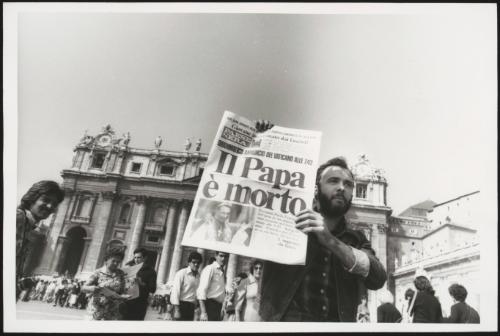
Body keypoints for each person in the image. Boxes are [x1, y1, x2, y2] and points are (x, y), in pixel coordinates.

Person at [256, 133, 387, 321]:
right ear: (316, 189)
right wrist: (263, 143)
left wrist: (330, 241)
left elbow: (378, 277)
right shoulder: (288, 222)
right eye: (333, 181)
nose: (342, 187)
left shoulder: (357, 239)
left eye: (349, 184)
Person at [16, 181, 65, 281]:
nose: (50, 206)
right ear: (31, 199)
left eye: (54, 204)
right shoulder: (18, 217)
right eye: (45, 200)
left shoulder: (27, 224)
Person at [81, 247, 130, 320]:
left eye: (118, 262)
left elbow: (122, 291)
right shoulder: (98, 272)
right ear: (106, 260)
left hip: (112, 314)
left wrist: (124, 296)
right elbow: (83, 288)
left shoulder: (121, 274)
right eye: (113, 261)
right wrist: (92, 288)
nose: (116, 264)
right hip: (96, 312)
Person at [121, 248, 157, 320]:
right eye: (135, 257)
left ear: (145, 258)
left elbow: (152, 289)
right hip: (125, 301)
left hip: (140, 303)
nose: (136, 260)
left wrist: (141, 283)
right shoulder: (128, 267)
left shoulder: (151, 271)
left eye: (139, 258)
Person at [171, 252, 203, 321]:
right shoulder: (181, 273)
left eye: (198, 262)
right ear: (189, 262)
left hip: (191, 307)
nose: (196, 264)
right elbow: (175, 292)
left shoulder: (199, 276)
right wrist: (177, 310)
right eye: (194, 262)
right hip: (181, 305)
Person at [197, 251, 228, 321]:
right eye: (221, 256)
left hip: (218, 308)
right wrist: (203, 312)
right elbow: (201, 290)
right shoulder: (210, 268)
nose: (223, 259)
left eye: (225, 256)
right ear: (216, 256)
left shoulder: (222, 271)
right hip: (209, 306)